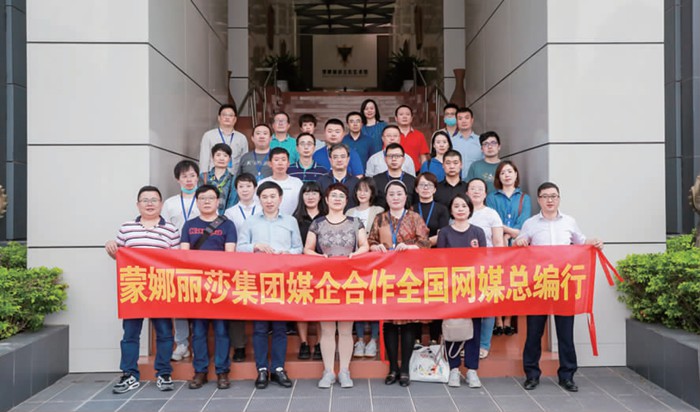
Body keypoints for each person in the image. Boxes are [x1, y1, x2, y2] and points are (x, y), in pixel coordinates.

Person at [515, 182, 604, 393]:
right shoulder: (530, 223)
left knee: (565, 332)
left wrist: (594, 242)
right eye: (545, 196)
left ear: (559, 198)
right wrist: (519, 242)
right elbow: (520, 241)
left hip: (564, 282)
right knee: (534, 332)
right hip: (538, 283)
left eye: (553, 196)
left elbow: (581, 242)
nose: (550, 200)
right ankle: (532, 375)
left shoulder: (569, 221)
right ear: (539, 200)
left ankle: (567, 376)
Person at [105, 186, 179, 394]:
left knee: (164, 333)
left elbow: (176, 260)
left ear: (161, 204)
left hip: (160, 286)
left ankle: (164, 373)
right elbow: (120, 255)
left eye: (154, 200)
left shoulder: (171, 230)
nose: (149, 204)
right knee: (130, 333)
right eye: (145, 200)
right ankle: (129, 374)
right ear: (138, 205)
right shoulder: (127, 228)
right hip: (134, 286)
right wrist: (112, 248)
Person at [237, 181, 303, 389]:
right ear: (259, 199)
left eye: (273, 196)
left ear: (280, 199)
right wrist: (255, 246)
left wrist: (287, 253)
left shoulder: (290, 221)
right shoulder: (250, 222)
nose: (269, 201)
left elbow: (299, 248)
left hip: (282, 280)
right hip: (258, 280)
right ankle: (262, 369)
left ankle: (278, 368)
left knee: (280, 327)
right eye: (265, 197)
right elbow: (239, 248)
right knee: (260, 328)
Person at [304, 183, 370, 388]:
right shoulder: (317, 223)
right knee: (327, 329)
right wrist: (319, 257)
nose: (337, 199)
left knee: (345, 329)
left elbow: (365, 246)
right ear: (326, 199)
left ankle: (344, 371)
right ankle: (328, 372)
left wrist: (355, 255)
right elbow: (307, 249)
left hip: (349, 280)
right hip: (325, 281)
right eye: (333, 196)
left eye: (341, 196)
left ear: (346, 200)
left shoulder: (355, 222)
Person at [368, 180, 430, 387]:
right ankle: (393, 367)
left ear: (405, 196)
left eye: (399, 194)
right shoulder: (380, 218)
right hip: (386, 276)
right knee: (389, 322)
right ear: (386, 198)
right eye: (391, 194)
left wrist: (410, 247)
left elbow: (425, 242)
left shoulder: (414, 217)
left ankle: (405, 369)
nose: (395, 197)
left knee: (409, 321)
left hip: (409, 275)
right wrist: (375, 247)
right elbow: (371, 241)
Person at [181, 185, 237, 390]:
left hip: (220, 285)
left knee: (221, 330)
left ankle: (222, 372)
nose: (206, 201)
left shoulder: (228, 225)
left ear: (217, 201)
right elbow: (184, 255)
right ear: (196, 202)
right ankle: (200, 371)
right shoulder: (189, 225)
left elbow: (230, 254)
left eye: (211, 198)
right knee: (198, 331)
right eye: (202, 198)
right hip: (196, 286)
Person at [437, 193, 486, 388]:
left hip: (474, 287)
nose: (460, 209)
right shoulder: (444, 233)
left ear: (470, 209)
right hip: (452, 288)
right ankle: (454, 369)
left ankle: (472, 369)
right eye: (456, 206)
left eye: (464, 206)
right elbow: (440, 261)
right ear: (451, 210)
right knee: (453, 327)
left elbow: (483, 259)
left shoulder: (478, 232)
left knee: (475, 328)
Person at [486, 161, 532, 336]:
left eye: (510, 171)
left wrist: (507, 233)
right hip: (497, 245)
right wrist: (504, 234)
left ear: (516, 174)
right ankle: (498, 320)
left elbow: (523, 225)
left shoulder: (524, 198)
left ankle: (508, 320)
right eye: (503, 172)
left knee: (513, 282)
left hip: (518, 246)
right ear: (498, 177)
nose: (506, 175)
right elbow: (492, 220)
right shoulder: (491, 197)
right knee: (497, 282)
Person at [161, 160, 200, 362]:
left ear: (198, 177)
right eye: (184, 176)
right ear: (178, 179)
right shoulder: (170, 203)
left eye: (192, 175)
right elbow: (164, 230)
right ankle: (182, 343)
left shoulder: (205, 198)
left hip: (201, 258)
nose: (189, 180)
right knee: (180, 301)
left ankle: (200, 343)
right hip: (176, 258)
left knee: (202, 300)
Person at [466, 178, 505, 359]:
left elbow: (498, 242)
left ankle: (483, 344)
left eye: (480, 189)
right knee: (467, 306)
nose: (476, 191)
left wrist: (498, 264)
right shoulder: (461, 210)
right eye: (472, 188)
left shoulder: (491, 214)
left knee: (487, 306)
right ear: (467, 192)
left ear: (485, 193)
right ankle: (468, 342)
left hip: (488, 266)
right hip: (465, 268)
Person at [224, 173, 260, 362]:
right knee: (237, 303)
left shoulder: (263, 207)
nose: (245, 190)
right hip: (238, 263)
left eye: (248, 186)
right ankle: (239, 345)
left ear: (255, 188)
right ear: (236, 190)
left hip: (262, 264)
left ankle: (261, 344)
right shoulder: (230, 212)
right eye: (241, 187)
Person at [346, 177, 384, 358]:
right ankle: (360, 340)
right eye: (359, 190)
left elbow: (381, 235)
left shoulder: (379, 211)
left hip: (375, 262)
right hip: (354, 262)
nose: (362, 193)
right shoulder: (349, 211)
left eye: (366, 190)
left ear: (372, 193)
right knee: (357, 300)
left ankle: (374, 340)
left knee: (374, 301)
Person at [411, 172, 450, 344]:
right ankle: (416, 338)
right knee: (416, 296)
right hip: (414, 259)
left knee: (435, 296)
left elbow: (442, 233)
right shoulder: (411, 209)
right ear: (416, 189)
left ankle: (435, 338)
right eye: (421, 185)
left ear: (435, 189)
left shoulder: (442, 209)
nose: (425, 188)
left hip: (435, 258)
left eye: (429, 185)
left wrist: (421, 244)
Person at [292, 181, 328, 361]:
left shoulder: (327, 216)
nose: (311, 196)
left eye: (314, 193)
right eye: (307, 193)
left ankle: (321, 343)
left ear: (321, 196)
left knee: (321, 306)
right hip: (301, 268)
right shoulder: (295, 218)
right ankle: (304, 342)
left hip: (324, 268)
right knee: (302, 305)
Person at [198, 104, 249, 180]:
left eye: (230, 115)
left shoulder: (242, 138)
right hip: (213, 179)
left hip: (234, 179)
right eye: (224, 115)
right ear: (219, 118)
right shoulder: (208, 135)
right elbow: (204, 160)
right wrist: (205, 181)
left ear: (235, 119)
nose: (227, 117)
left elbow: (244, 161)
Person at [259, 147, 303, 216]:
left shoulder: (297, 183)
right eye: (276, 160)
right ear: (270, 163)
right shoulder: (262, 184)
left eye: (283, 160)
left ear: (288, 163)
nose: (280, 163)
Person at [372, 143, 416, 209]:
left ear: (403, 159)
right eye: (390, 156)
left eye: (397, 156)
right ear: (385, 159)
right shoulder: (375, 180)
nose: (394, 159)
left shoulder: (412, 181)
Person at [317, 144, 360, 209]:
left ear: (348, 159)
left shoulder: (356, 182)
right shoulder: (321, 182)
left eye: (343, 157)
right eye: (335, 157)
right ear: (330, 159)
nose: (339, 160)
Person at [202, 143, 238, 215]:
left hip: (225, 217)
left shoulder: (233, 179)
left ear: (229, 159)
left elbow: (232, 201)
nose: (221, 158)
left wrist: (224, 218)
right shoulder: (204, 177)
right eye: (218, 155)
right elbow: (198, 198)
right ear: (212, 157)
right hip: (204, 215)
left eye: (225, 155)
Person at [450, 107, 482, 179]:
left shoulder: (481, 141)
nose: (464, 121)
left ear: (472, 120)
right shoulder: (450, 142)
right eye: (460, 119)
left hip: (476, 181)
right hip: (456, 181)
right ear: (456, 121)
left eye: (467, 118)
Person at [395, 105, 429, 170]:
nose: (404, 117)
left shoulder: (419, 135)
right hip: (395, 172)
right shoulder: (391, 135)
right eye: (401, 114)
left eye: (407, 114)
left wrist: (424, 172)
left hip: (415, 172)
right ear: (396, 118)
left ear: (411, 118)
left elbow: (423, 158)